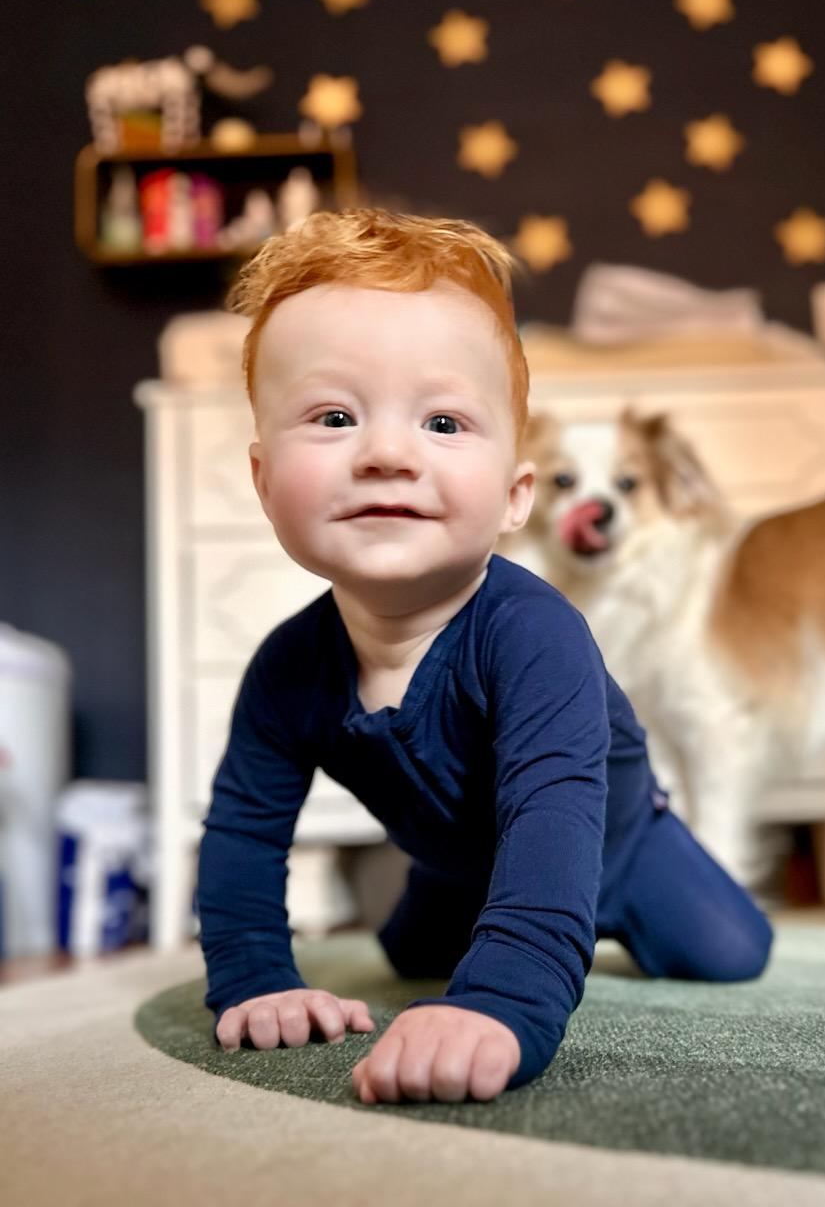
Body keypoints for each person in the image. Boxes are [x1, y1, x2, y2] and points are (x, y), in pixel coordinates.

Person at [196, 208, 774, 1106]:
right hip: (458, 862)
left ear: (514, 497)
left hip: (609, 838)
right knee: (408, 958)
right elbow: (242, 830)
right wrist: (256, 979)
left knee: (733, 953)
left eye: (443, 422)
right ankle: (478, 900)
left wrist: (503, 1004)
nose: (387, 453)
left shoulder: (536, 635)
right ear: (266, 480)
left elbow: (554, 813)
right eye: (337, 415)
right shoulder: (285, 670)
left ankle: (602, 903)